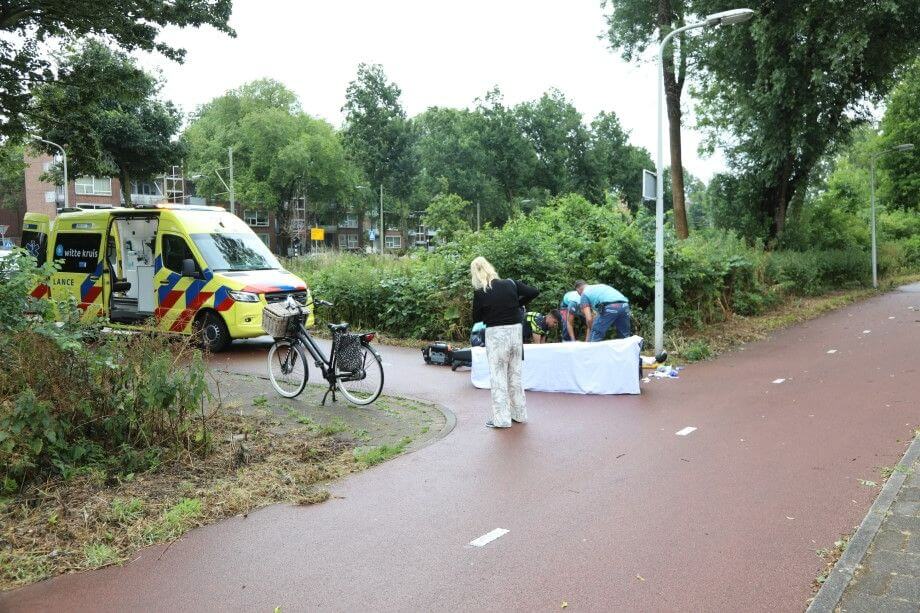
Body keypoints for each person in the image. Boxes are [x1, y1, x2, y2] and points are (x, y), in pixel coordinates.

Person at [471, 257, 539, 428]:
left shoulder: (480, 293)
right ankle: (519, 414)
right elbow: (534, 291)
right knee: (515, 375)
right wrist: (517, 304)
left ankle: (501, 419)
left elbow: (477, 318)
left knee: (498, 376)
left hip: (496, 335)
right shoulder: (510, 283)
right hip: (516, 332)